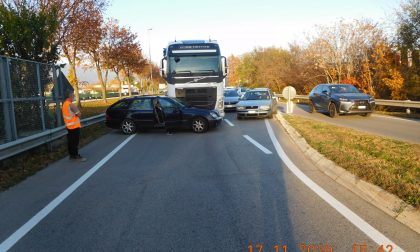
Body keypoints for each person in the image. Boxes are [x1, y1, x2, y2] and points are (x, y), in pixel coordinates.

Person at [62, 90, 87, 161]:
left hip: (68, 126)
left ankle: (71, 155)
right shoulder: (71, 104)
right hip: (74, 126)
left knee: (70, 142)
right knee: (75, 142)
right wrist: (77, 110)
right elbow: (79, 114)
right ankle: (76, 156)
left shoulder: (64, 104)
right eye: (73, 96)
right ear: (70, 96)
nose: (73, 97)